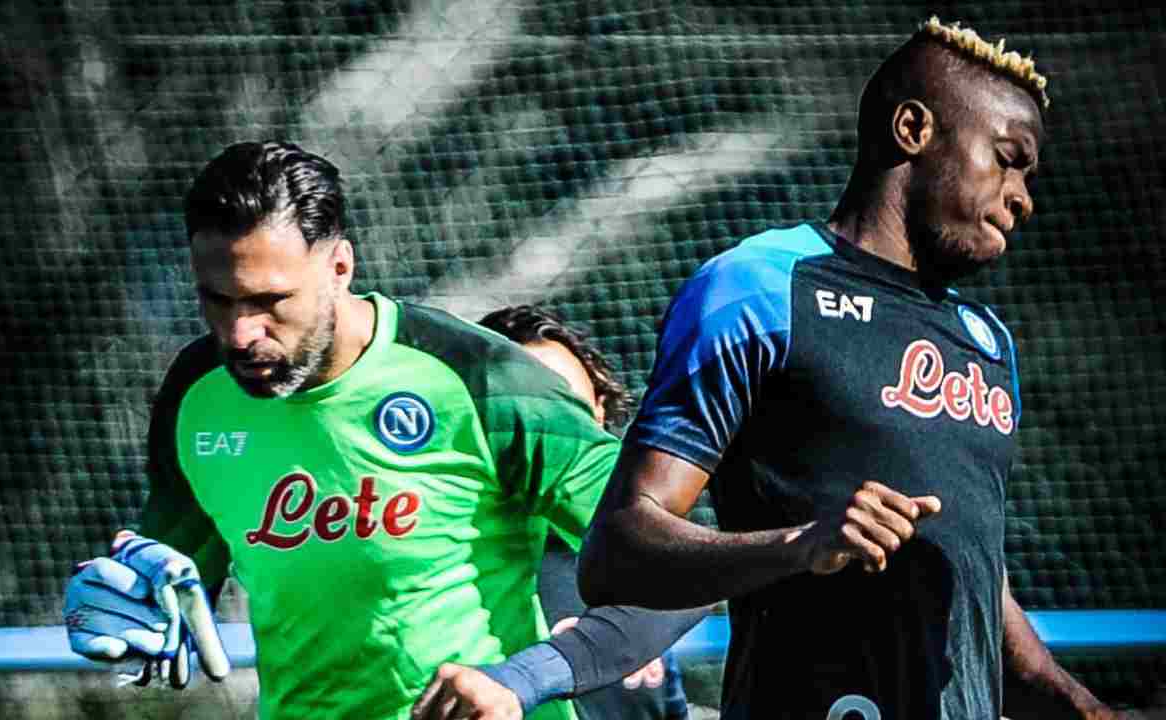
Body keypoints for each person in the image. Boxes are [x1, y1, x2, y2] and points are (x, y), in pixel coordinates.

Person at [577, 17, 1130, 720]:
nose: (1023, 196)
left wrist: (1073, 702)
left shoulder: (987, 341)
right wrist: (800, 544)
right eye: (1007, 158)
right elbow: (616, 552)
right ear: (912, 129)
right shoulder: (758, 288)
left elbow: (972, 572)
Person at [62, 140, 703, 720]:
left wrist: (524, 678)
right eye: (217, 300)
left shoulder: (479, 378)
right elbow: (174, 573)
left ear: (340, 266)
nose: (239, 334)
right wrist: (119, 597)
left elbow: (682, 566)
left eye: (268, 302)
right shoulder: (196, 390)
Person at [479, 305, 692, 720]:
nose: (551, 425)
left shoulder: (634, 552)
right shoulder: (460, 564)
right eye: (529, 407)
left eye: (567, 404)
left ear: (598, 408)